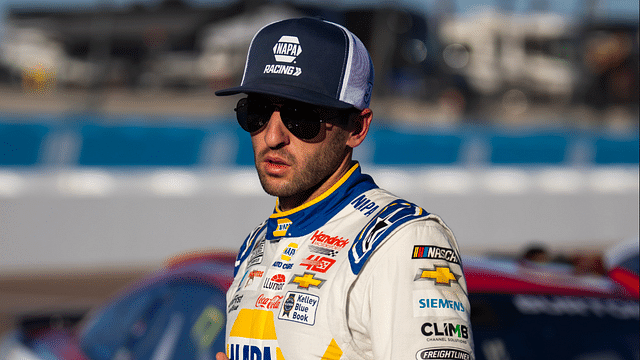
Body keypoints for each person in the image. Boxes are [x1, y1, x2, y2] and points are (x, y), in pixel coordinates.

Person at [214, 17, 474, 360]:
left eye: (300, 116)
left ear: (356, 128)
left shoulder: (403, 243)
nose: (272, 137)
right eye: (257, 112)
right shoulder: (255, 246)